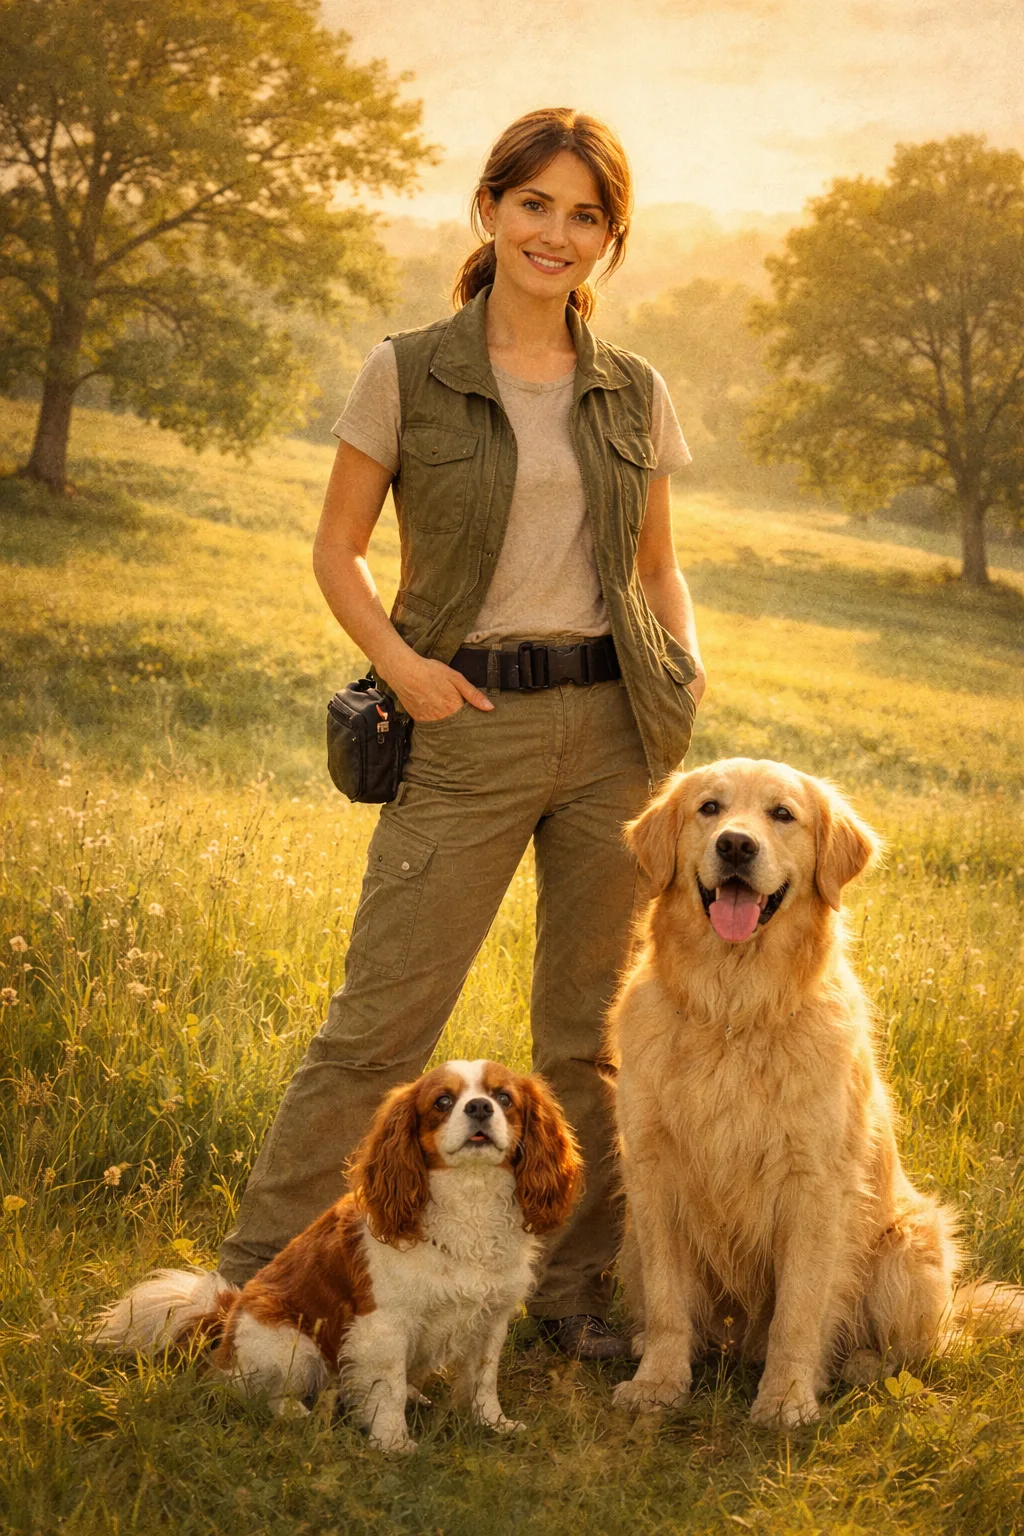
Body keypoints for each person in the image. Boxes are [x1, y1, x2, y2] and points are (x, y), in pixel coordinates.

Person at [218, 107, 706, 1359]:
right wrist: (403, 667)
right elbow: (336, 549)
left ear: (609, 240)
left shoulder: (632, 388)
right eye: (535, 204)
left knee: (585, 1036)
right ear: (489, 210)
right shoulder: (407, 370)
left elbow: (658, 566)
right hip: (464, 723)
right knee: (380, 1021)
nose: (557, 232)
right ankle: (254, 1284)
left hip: (613, 734)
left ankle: (573, 1293)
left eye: (585, 215)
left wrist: (682, 673)